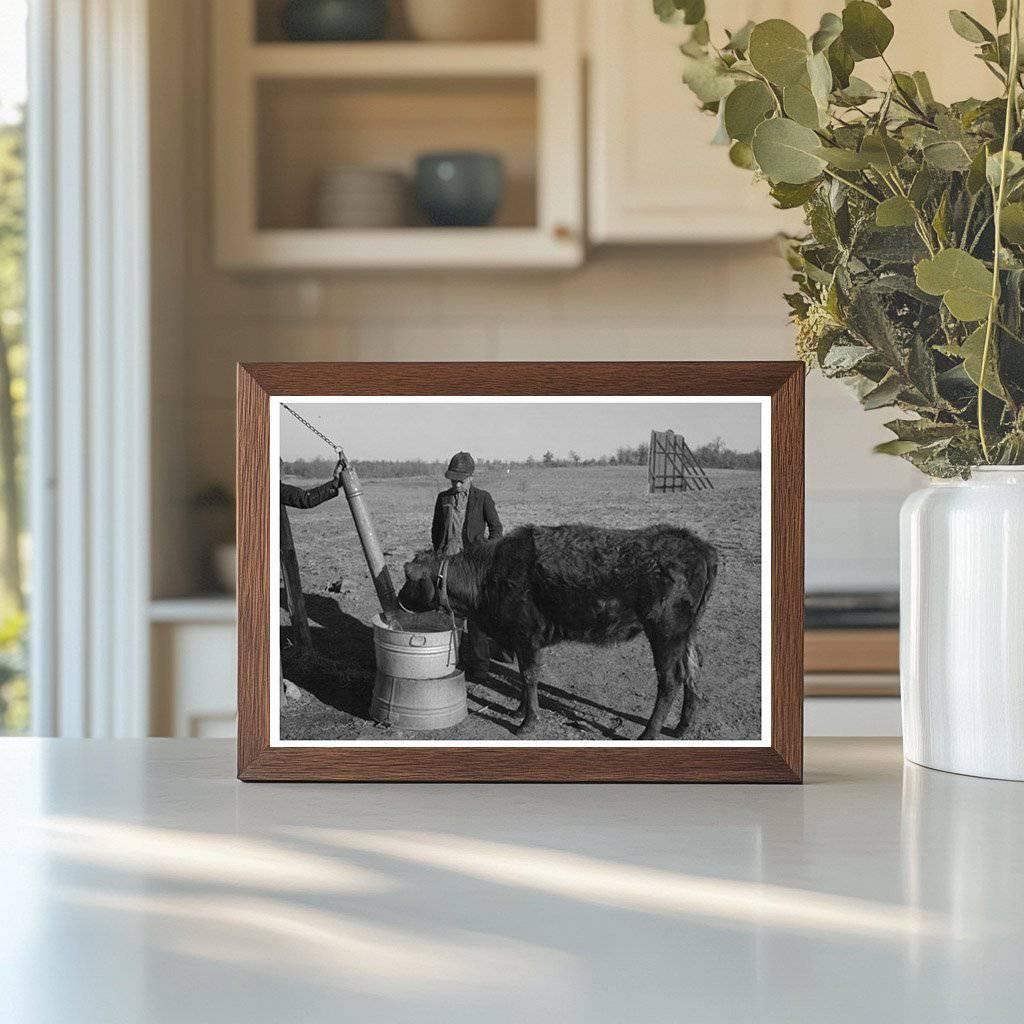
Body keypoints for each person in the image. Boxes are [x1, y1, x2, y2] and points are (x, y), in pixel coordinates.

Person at [431, 451, 502, 682]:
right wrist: (438, 555)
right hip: (447, 566)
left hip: (472, 570)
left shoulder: (483, 498)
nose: (457, 484)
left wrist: (485, 555)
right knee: (448, 615)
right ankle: (450, 660)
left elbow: (496, 529)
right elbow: (435, 530)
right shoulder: (443, 498)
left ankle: (480, 666)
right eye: (453, 480)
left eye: (461, 480)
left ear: (471, 477)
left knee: (476, 618)